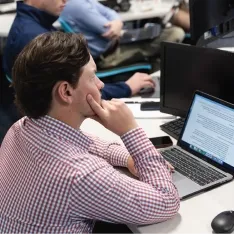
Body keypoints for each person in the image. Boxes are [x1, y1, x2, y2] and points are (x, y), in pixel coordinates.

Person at [0, 31, 180, 233]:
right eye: (93, 76)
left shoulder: (21, 127)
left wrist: (128, 159)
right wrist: (130, 131)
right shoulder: (80, 175)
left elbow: (84, 142)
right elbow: (166, 202)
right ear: (66, 91)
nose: (101, 84)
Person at [2, 0, 155, 100]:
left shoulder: (30, 26)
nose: (65, 1)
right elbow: (76, 94)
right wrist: (127, 88)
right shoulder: (36, 38)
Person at [61, 0, 185, 69]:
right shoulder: (76, 5)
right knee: (173, 35)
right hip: (109, 55)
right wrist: (117, 23)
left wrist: (118, 22)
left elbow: (109, 12)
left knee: (162, 40)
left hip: (116, 44)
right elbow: (109, 30)